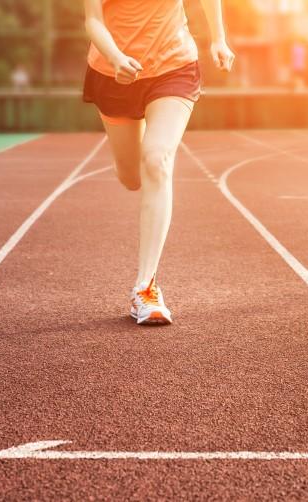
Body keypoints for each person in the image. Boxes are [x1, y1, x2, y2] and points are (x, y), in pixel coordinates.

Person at [83, 0, 235, 325]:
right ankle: (131, 161)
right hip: (113, 73)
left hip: (173, 68)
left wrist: (218, 38)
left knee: (157, 159)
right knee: (132, 177)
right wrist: (115, 57)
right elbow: (93, 20)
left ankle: (146, 288)